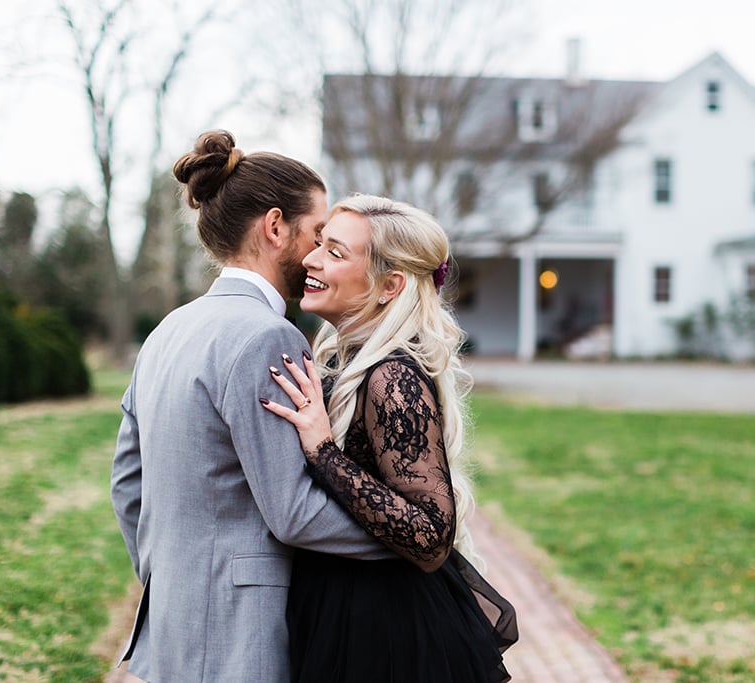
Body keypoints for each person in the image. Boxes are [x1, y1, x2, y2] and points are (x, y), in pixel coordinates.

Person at [110, 131, 392, 682]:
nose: (318, 255)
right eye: (316, 235)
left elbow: (127, 485)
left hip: (175, 627)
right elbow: (293, 512)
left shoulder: (168, 330)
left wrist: (171, 576)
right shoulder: (268, 337)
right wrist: (409, 540)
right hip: (242, 635)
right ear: (274, 227)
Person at [259, 193, 516, 683]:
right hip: (341, 609)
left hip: (386, 630)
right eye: (319, 244)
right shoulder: (348, 365)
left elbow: (431, 536)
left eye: (335, 252)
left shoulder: (392, 378)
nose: (310, 259)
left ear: (388, 286)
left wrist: (323, 453)